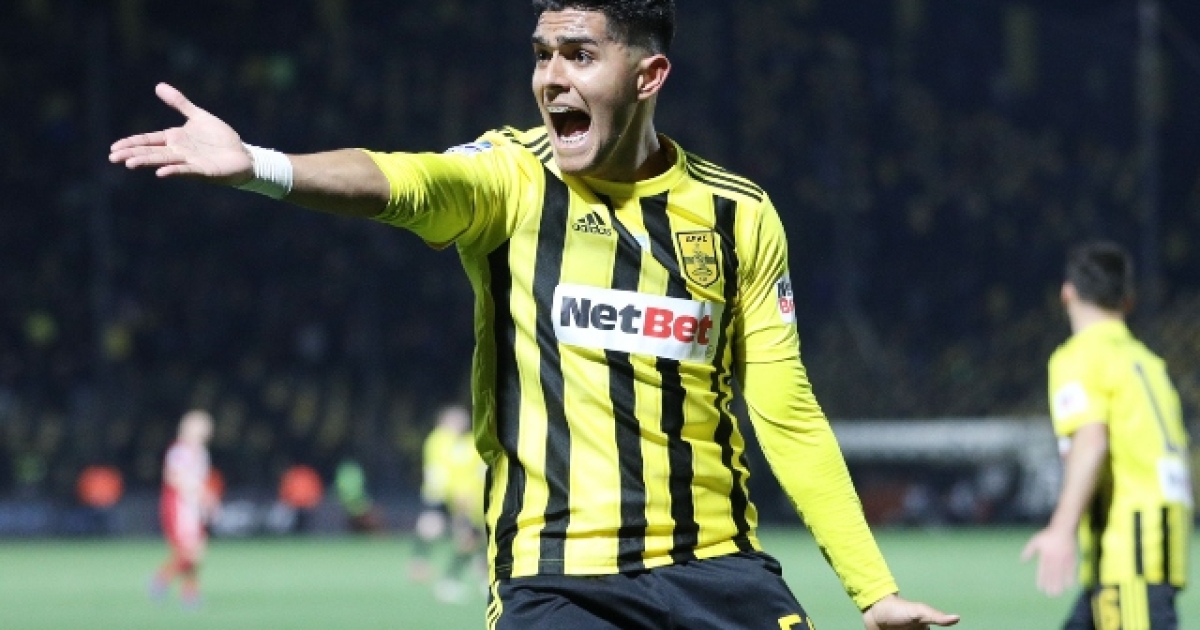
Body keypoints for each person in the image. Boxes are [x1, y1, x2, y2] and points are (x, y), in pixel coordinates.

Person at [110, 2, 959, 627]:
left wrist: (873, 590)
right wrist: (262, 165)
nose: (553, 77)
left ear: (648, 75)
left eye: (580, 54)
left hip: (716, 568)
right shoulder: (511, 177)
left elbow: (786, 411)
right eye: (542, 54)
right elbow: (407, 181)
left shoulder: (737, 216)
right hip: (558, 582)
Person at [1023, 242, 1192, 629]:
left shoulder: (1080, 356)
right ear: (1127, 301)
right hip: (1153, 541)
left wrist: (1061, 529)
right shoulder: (1147, 362)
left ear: (1067, 294)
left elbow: (1092, 439)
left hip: (1129, 550)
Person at [150, 410, 217, 608]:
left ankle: (183, 591)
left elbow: (200, 481)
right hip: (179, 507)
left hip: (192, 508)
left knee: (196, 552)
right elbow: (173, 476)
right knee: (191, 552)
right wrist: (199, 493)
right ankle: (166, 582)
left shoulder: (202, 453)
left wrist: (206, 500)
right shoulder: (180, 451)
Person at [410, 404, 473, 582]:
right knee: (430, 528)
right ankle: (420, 565)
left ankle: (455, 575)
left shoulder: (466, 441)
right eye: (456, 420)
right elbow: (440, 471)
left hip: (462, 497)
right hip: (441, 495)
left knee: (467, 538)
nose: (461, 423)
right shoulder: (438, 440)